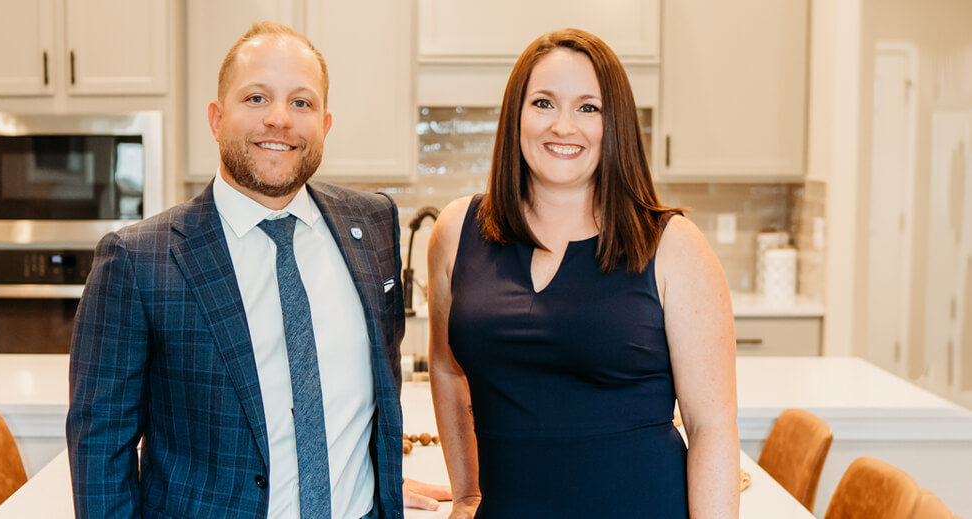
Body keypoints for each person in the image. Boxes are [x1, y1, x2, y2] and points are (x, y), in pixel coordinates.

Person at [67, 22, 448, 518]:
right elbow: (100, 451)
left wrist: (380, 481)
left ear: (325, 124)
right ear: (216, 117)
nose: (279, 120)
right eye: (256, 98)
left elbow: (369, 397)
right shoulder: (138, 261)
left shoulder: (373, 224)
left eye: (301, 103)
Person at [426, 28, 740, 518]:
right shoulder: (457, 231)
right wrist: (466, 493)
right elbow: (446, 369)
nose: (563, 126)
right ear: (516, 115)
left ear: (613, 124)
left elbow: (711, 428)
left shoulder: (674, 246)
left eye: (588, 108)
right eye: (544, 103)